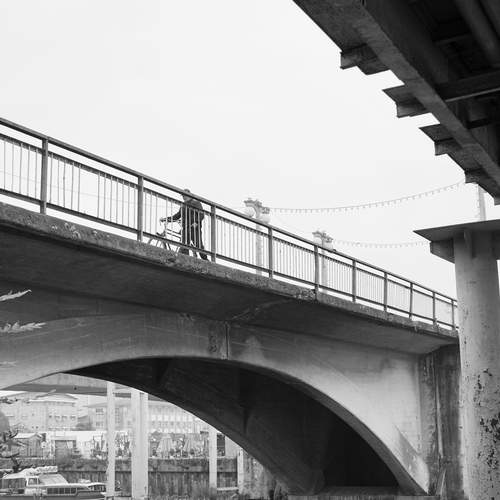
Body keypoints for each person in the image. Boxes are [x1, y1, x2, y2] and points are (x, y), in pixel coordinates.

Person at [162, 189, 209, 260]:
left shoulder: (196, 203)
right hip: (185, 228)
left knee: (198, 245)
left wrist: (196, 222)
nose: (183, 197)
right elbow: (177, 216)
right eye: (182, 196)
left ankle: (206, 260)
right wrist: (166, 219)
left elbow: (201, 214)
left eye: (184, 195)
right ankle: (184, 259)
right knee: (184, 245)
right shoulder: (183, 205)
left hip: (194, 228)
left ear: (189, 195)